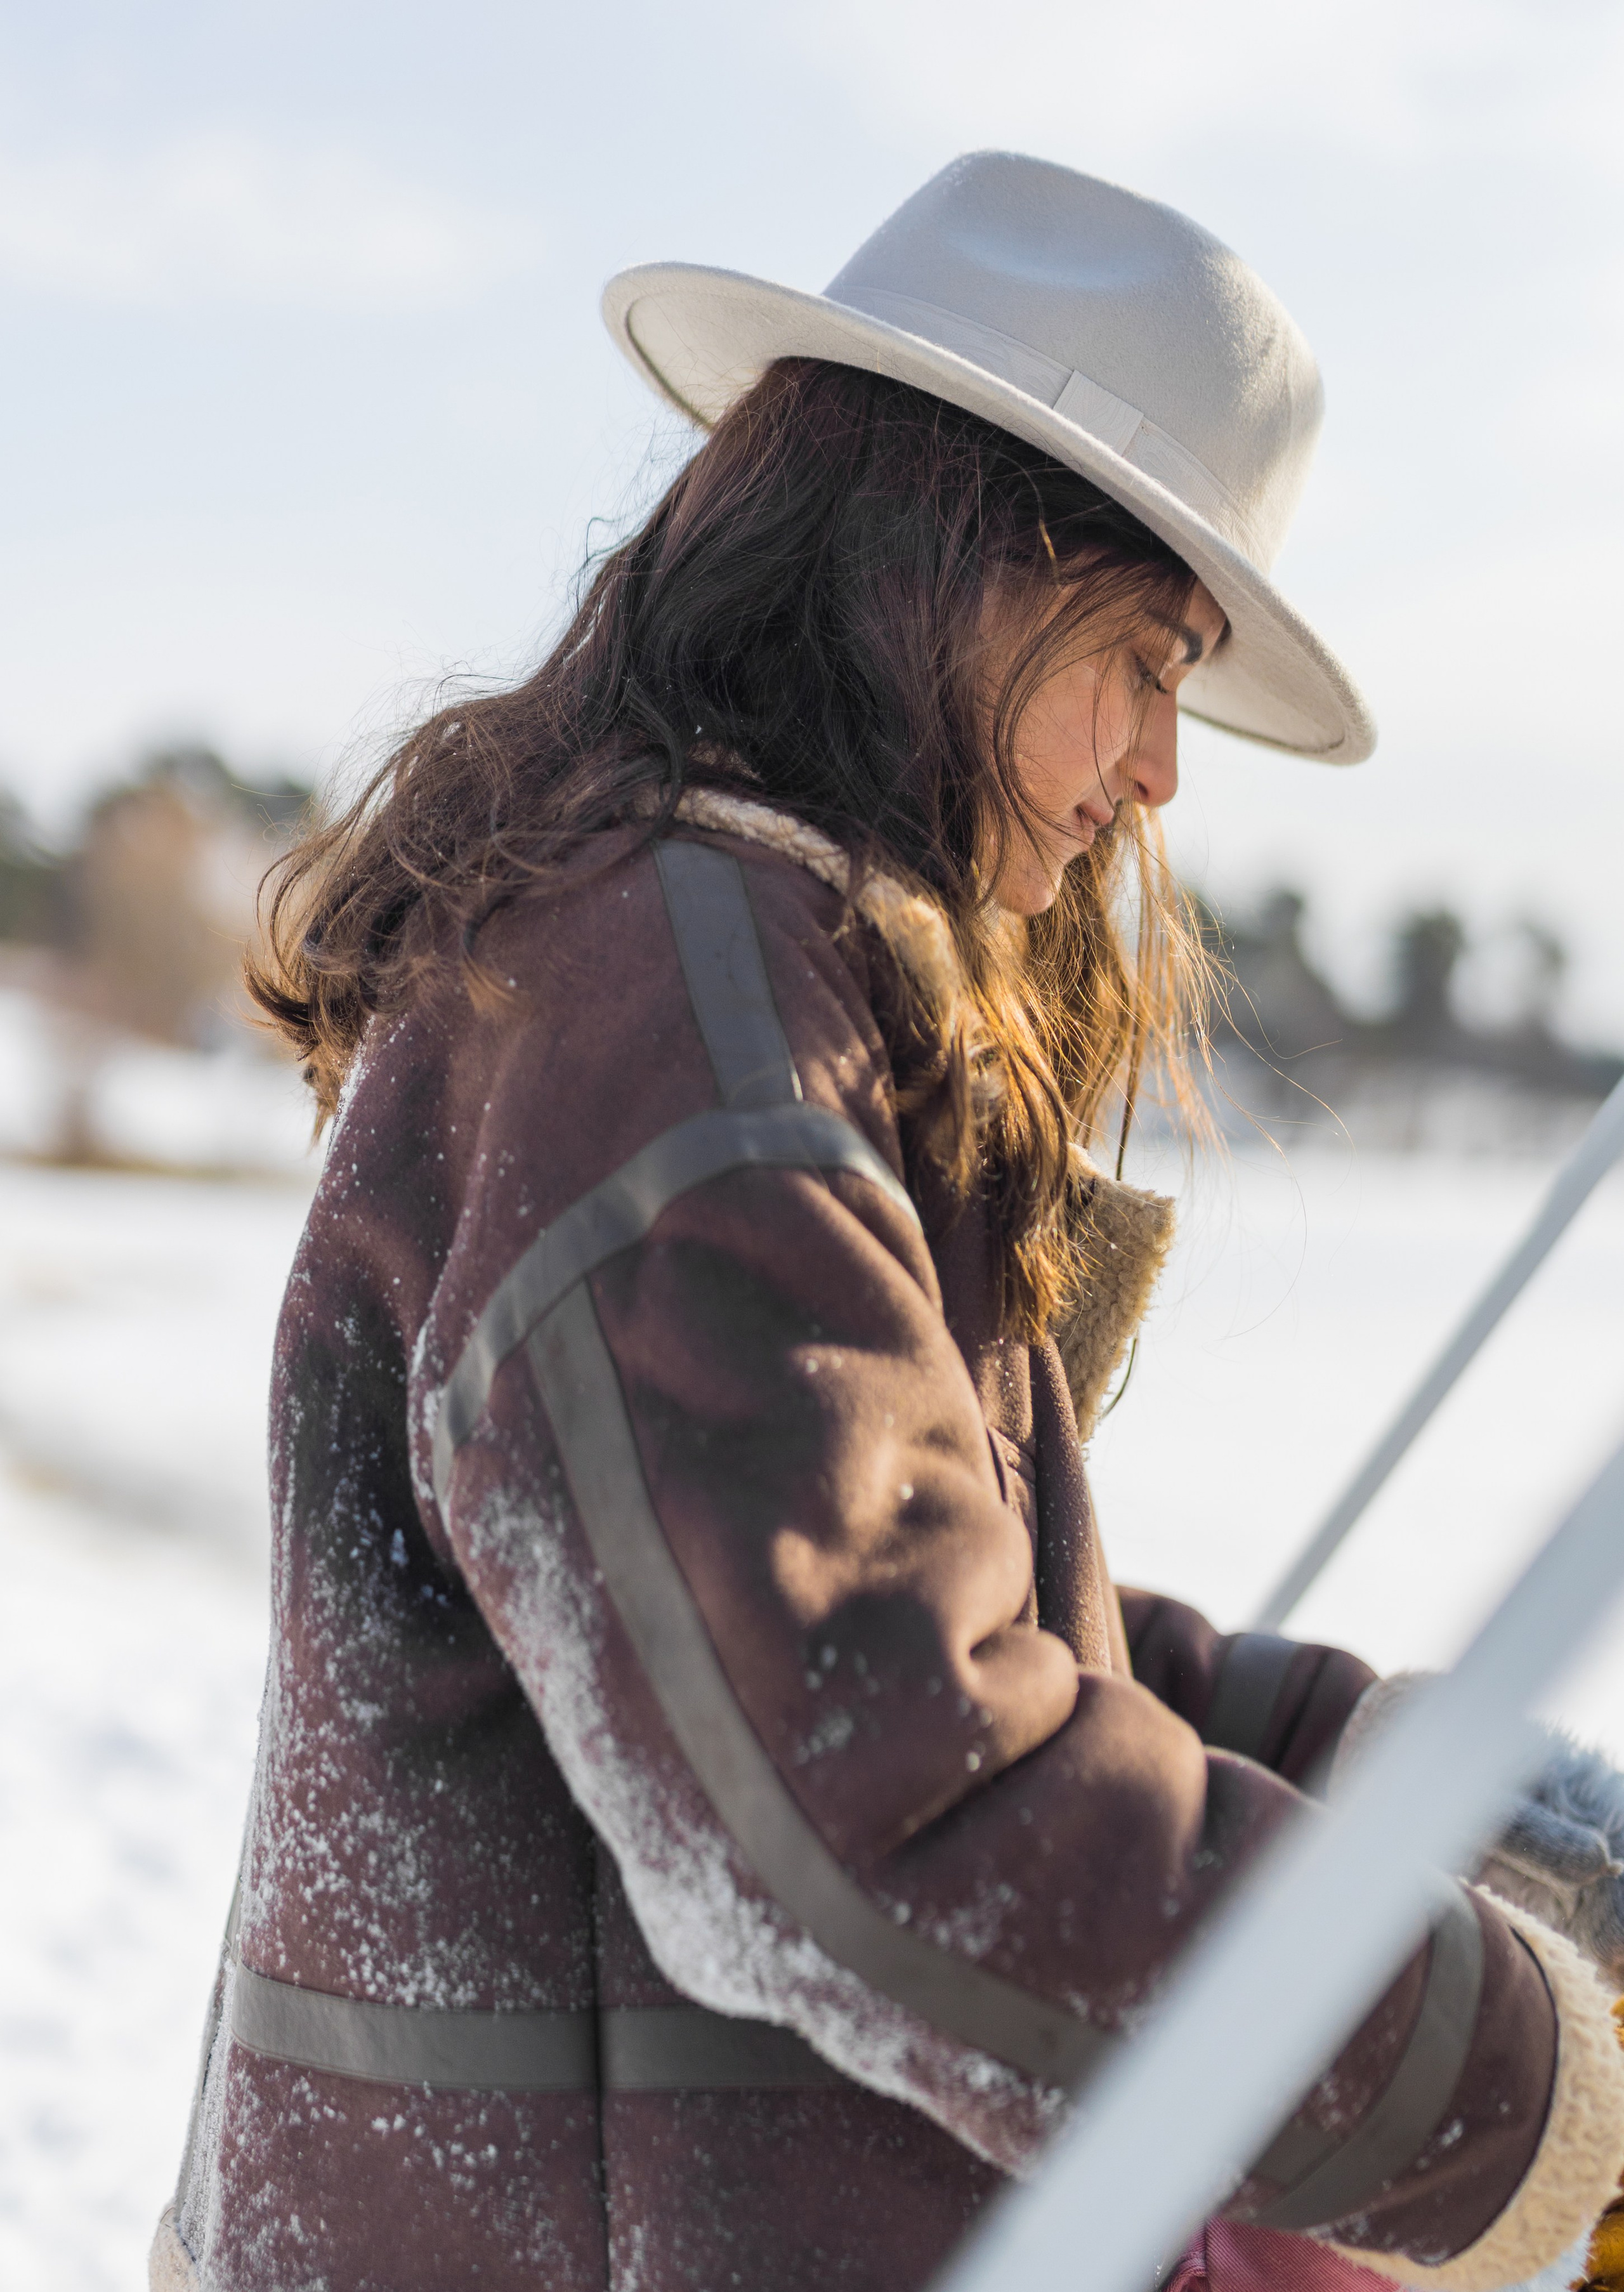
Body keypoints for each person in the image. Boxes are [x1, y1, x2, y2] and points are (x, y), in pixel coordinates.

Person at [152, 152, 1624, 2292]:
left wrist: (1403, 1782)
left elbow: (908, 1603)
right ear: (947, 563)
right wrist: (1534, 2109)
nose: (1162, 770)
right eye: (1146, 657)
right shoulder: (670, 999)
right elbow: (880, 1781)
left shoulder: (725, 973)